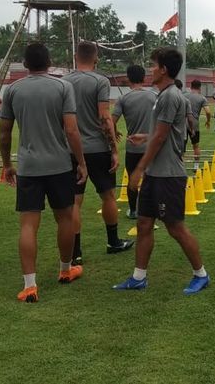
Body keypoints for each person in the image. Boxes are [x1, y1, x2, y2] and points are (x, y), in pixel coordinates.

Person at [113, 47, 210, 294]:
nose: (150, 69)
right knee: (144, 223)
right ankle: (138, 277)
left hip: (168, 175)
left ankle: (201, 274)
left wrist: (138, 170)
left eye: (153, 64)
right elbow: (160, 133)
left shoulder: (169, 96)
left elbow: (161, 138)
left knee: (175, 227)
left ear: (164, 69)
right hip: (157, 174)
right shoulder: (163, 94)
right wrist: (144, 136)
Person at [0, 43, 87, 303]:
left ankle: (29, 285)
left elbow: (4, 133)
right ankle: (65, 270)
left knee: (28, 224)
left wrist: (6, 164)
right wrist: (81, 162)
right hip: (59, 165)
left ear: (25, 64)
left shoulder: (13, 90)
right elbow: (71, 130)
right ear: (49, 62)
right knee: (65, 218)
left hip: (28, 167)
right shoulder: (62, 87)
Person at [67, 41, 133, 265]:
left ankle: (75, 253)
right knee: (107, 196)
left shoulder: (64, 82)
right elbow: (105, 116)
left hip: (71, 150)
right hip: (97, 149)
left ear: (76, 57)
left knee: (74, 202)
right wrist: (114, 148)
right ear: (96, 59)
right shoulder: (100, 81)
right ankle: (113, 241)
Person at [112, 65, 158, 220]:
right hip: (151, 145)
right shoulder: (154, 96)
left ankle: (133, 210)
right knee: (150, 178)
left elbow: (111, 122)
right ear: (144, 78)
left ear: (128, 79)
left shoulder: (123, 99)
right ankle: (151, 209)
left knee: (133, 179)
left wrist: (115, 131)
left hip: (132, 146)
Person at [185, 79, 212, 170]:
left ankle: (179, 167)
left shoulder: (184, 95)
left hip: (183, 123)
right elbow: (208, 112)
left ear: (190, 86)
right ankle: (196, 166)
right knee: (195, 145)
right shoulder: (202, 98)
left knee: (180, 146)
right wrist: (208, 121)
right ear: (200, 87)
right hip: (194, 123)